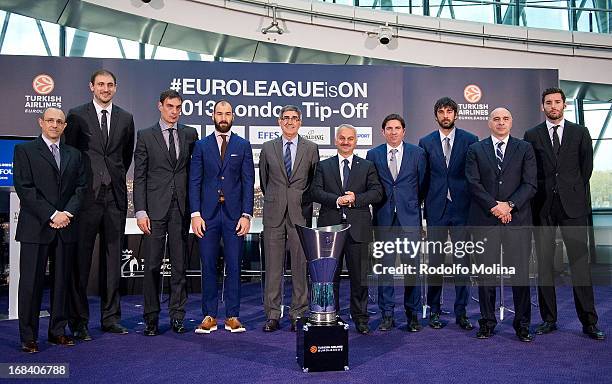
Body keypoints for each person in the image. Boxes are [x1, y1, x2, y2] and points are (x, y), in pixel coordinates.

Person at [524, 87, 605, 340]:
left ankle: (589, 322)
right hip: (543, 207)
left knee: (580, 265)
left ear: (564, 104)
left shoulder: (580, 132)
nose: (553, 106)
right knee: (545, 266)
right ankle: (549, 319)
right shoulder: (532, 134)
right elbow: (530, 171)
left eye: (557, 102)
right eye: (548, 102)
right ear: (542, 107)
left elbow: (586, 169)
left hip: (574, 208)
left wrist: (572, 192)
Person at [64, 69, 135, 338]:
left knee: (113, 260)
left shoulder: (126, 118)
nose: (105, 89)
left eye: (110, 85)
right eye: (101, 84)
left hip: (115, 198)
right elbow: (70, 157)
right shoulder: (76, 115)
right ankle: (79, 322)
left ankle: (111, 318)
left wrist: (112, 178)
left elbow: (124, 157)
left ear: (115, 88)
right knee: (80, 263)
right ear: (91, 86)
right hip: (86, 199)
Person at [14, 107, 87, 353]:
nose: (54, 125)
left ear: (65, 126)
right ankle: (28, 337)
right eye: (50, 121)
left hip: (65, 227)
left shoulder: (74, 155)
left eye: (59, 121)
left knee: (62, 284)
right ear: (41, 123)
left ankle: (57, 332)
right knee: (30, 285)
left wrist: (66, 213)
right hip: (36, 227)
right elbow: (25, 188)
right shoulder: (24, 151)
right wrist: (52, 214)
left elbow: (80, 188)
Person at [465, 107, 537, 342]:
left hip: (517, 220)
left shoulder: (525, 148)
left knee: (520, 274)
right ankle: (486, 322)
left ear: (511, 122)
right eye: (496, 119)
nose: (501, 122)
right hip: (486, 220)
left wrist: (510, 206)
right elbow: (473, 183)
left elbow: (530, 184)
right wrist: (495, 207)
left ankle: (523, 324)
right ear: (489, 122)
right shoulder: (475, 149)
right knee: (486, 275)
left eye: (505, 118)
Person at [133, 89, 198, 336]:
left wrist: (195, 210)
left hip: (181, 209)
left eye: (178, 107)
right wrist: (140, 211)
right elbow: (139, 176)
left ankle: (177, 316)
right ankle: (151, 318)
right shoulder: (146, 136)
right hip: (154, 210)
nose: (174, 111)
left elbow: (194, 174)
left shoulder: (190, 134)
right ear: (160, 106)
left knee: (180, 266)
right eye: (170, 106)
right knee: (151, 266)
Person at [311, 124, 383, 334]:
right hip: (329, 229)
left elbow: (377, 192)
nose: (345, 142)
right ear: (336, 140)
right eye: (342, 138)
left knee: (359, 277)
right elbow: (315, 192)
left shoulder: (366, 165)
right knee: (329, 276)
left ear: (355, 141)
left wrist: (355, 199)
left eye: (350, 138)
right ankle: (330, 315)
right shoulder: (324, 166)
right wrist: (337, 200)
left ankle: (360, 318)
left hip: (358, 229)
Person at [189, 100, 255, 334]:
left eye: (227, 113)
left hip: (234, 216)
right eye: (219, 113)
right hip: (206, 217)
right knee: (207, 265)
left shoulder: (243, 145)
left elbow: (248, 182)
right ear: (213, 116)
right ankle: (209, 315)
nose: (223, 117)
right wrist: (195, 214)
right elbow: (194, 181)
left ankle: (233, 316)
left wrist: (247, 215)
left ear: (233, 117)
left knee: (235, 265)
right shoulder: (201, 146)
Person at [418, 97, 478, 330]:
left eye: (449, 111)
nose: (445, 115)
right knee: (435, 263)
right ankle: (434, 310)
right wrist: (422, 210)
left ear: (456, 115)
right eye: (441, 111)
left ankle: (461, 312)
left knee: (463, 263)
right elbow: (423, 179)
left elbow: (474, 177)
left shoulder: (470, 140)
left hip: (462, 209)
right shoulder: (426, 142)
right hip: (436, 209)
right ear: (436, 116)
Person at [259, 105, 319, 332]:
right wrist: (277, 199)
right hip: (274, 214)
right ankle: (273, 314)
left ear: (300, 122)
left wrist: (297, 202)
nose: (290, 122)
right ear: (279, 121)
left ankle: (298, 313)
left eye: (294, 118)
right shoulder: (268, 148)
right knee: (273, 267)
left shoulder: (311, 148)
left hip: (300, 215)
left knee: (300, 267)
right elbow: (264, 181)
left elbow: (313, 182)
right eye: (286, 118)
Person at [366, 114, 426, 332]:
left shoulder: (417, 153)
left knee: (412, 269)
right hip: (383, 220)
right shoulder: (373, 154)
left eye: (397, 128)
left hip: (409, 219)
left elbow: (422, 185)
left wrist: (409, 207)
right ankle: (387, 314)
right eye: (389, 128)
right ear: (383, 132)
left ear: (404, 131)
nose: (393, 132)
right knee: (385, 270)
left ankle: (412, 315)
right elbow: (372, 185)